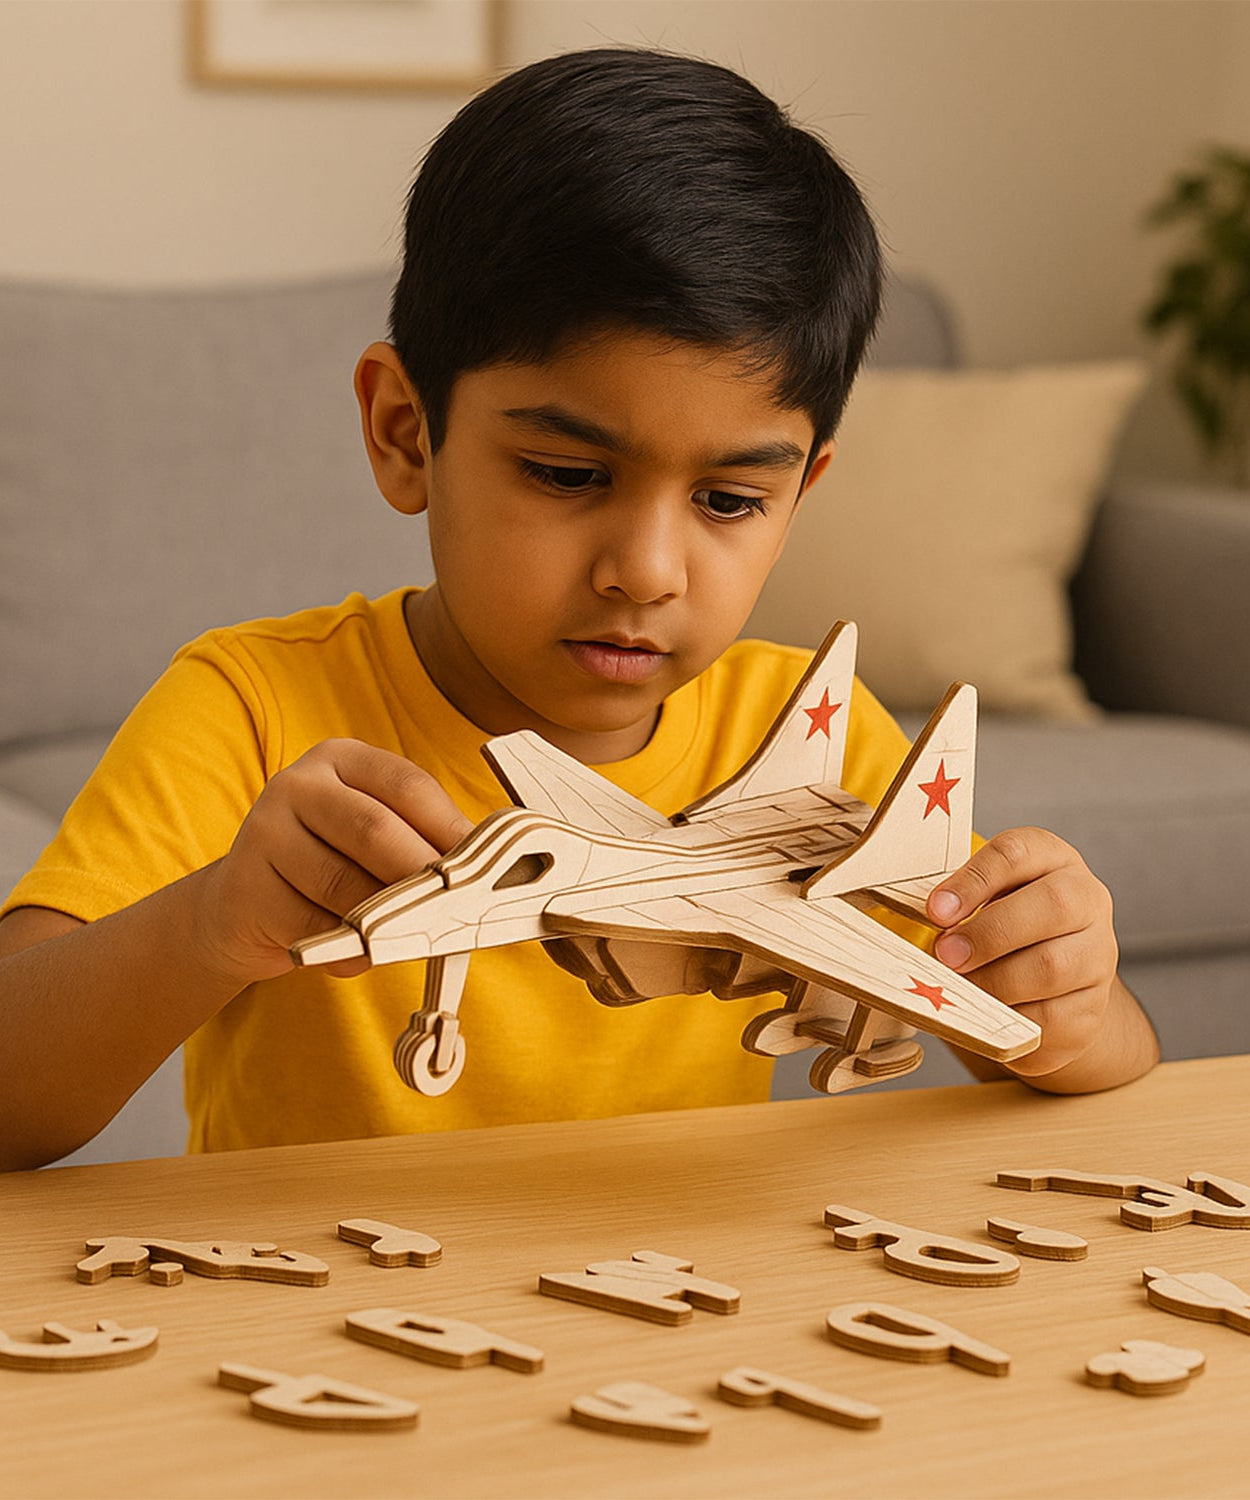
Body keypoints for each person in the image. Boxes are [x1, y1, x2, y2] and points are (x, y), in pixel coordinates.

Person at [0, 48, 1158, 1172]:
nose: (644, 572)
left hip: (677, 1291)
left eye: (727, 499)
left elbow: (1069, 1059)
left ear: (800, 495)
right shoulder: (253, 709)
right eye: (566, 474)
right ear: (405, 433)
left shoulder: (804, 737)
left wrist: (1070, 993)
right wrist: (209, 924)